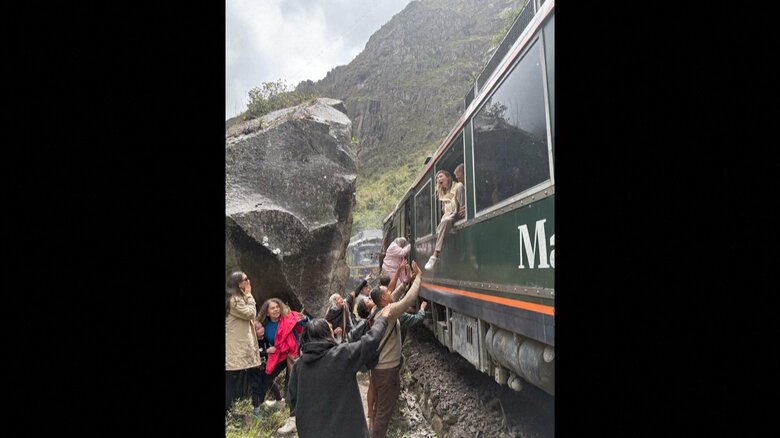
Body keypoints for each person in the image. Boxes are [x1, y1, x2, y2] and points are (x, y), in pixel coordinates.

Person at [287, 310, 392, 438]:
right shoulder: (341, 355)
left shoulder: (299, 365)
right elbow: (370, 341)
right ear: (327, 334)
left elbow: (292, 400)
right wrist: (383, 319)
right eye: (330, 328)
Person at [367, 260, 422, 437]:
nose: (390, 292)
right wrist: (419, 278)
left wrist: (406, 282)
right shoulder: (389, 313)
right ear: (383, 299)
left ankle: (372, 429)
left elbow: (395, 296)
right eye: (387, 292)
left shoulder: (378, 309)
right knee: (384, 412)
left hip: (378, 368)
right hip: (387, 371)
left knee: (379, 408)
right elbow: (407, 301)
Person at [258, 298, 309, 434]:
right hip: (278, 354)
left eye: (277, 307)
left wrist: (304, 319)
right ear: (267, 312)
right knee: (266, 377)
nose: (276, 309)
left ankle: (293, 420)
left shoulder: (288, 319)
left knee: (292, 386)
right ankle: (278, 400)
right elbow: (263, 341)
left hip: (293, 354)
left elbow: (304, 323)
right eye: (272, 308)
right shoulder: (265, 325)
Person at [225, 271, 262, 415]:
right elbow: (250, 313)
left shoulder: (235, 298)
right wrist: (249, 295)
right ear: (238, 283)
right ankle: (230, 410)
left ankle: (253, 407)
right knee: (233, 379)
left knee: (238, 378)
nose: (249, 281)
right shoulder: (234, 300)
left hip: (242, 346)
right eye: (246, 279)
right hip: (238, 347)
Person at [425, 169, 465, 270]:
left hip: (457, 214)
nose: (439, 179)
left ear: (448, 177)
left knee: (445, 221)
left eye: (441, 176)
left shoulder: (458, 186)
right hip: (449, 216)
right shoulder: (443, 195)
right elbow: (445, 211)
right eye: (437, 178)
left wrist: (465, 209)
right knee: (443, 222)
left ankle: (435, 255)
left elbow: (462, 205)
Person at [251, 322, 283, 412]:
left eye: (262, 327)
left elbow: (273, 347)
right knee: (256, 387)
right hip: (255, 370)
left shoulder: (266, 339)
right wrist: (267, 351)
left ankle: (279, 400)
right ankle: (256, 408)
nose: (261, 329)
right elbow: (254, 353)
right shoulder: (253, 343)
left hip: (266, 369)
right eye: (258, 329)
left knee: (270, 383)